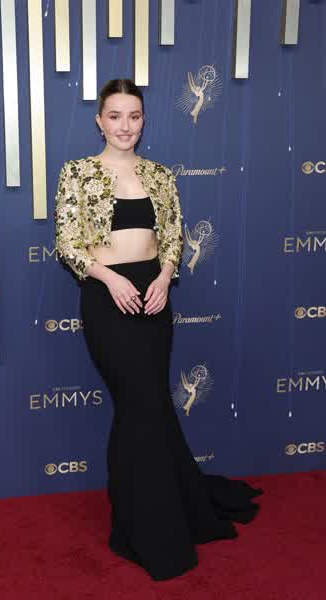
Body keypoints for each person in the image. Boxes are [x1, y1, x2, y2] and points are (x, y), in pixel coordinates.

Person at [54, 78, 263, 581]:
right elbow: (67, 241)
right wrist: (109, 278)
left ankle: (167, 506)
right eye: (115, 116)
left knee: (148, 407)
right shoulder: (77, 173)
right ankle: (143, 527)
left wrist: (166, 277)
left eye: (134, 116)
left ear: (143, 120)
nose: (125, 126)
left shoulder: (160, 174)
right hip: (107, 297)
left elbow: (172, 237)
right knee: (139, 406)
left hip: (153, 298)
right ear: (99, 121)